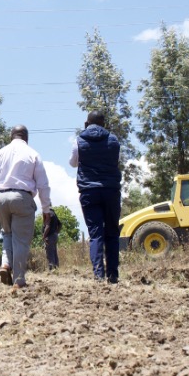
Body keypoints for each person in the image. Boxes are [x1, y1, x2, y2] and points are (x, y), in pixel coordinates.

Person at [0, 125, 52, 289]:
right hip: (22, 197)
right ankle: (19, 280)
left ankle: (5, 265)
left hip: (0, 197)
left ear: (11, 136)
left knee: (8, 234)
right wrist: (46, 209)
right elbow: (43, 185)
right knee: (21, 240)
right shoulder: (32, 154)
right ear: (26, 138)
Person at [69, 111, 122, 284]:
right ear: (104, 124)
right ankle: (113, 275)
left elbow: (73, 163)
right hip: (110, 190)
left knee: (95, 234)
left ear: (86, 124)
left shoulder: (79, 141)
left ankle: (98, 275)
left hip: (89, 191)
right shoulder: (113, 140)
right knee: (112, 233)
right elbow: (116, 160)